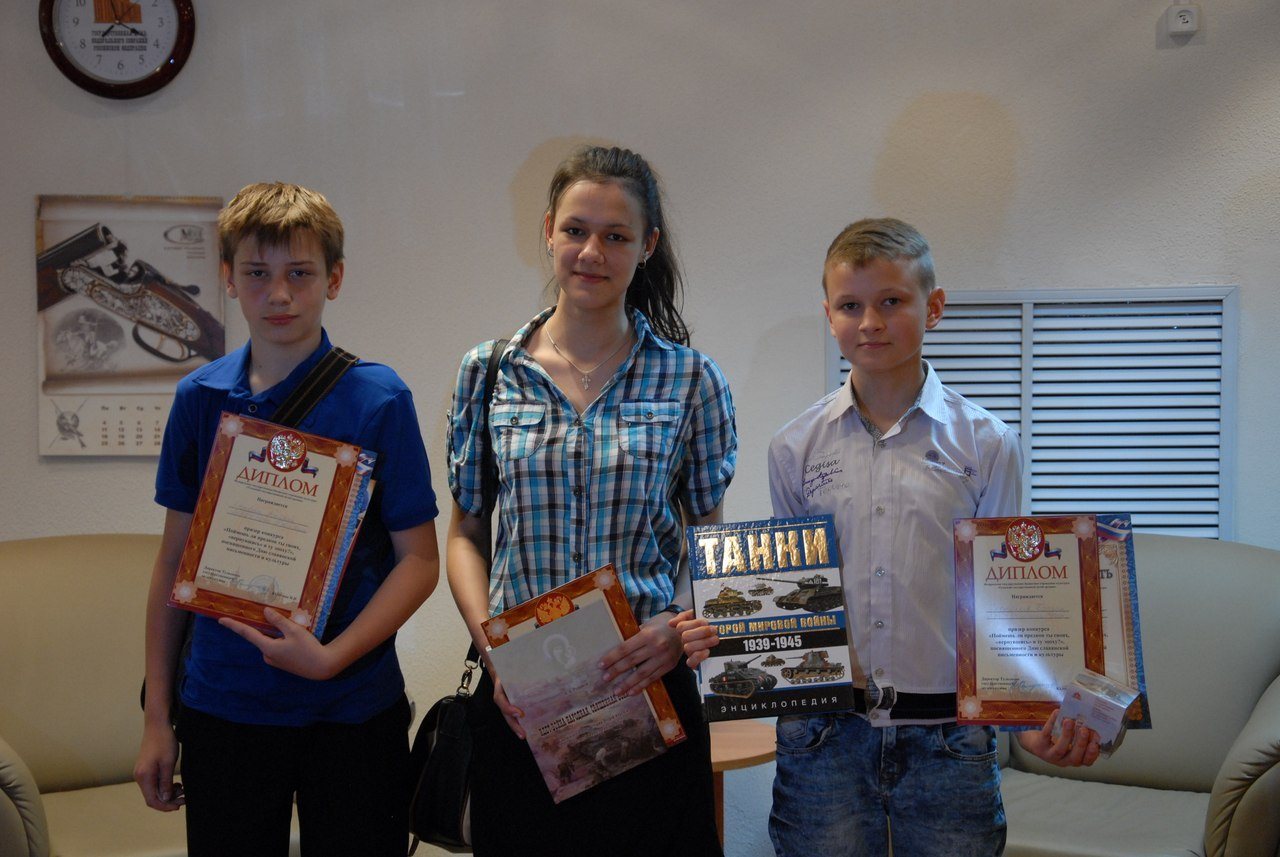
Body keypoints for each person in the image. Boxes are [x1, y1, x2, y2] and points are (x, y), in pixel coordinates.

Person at [680, 218, 1101, 856]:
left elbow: (1007, 598)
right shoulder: (795, 447)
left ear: (934, 307)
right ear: (829, 316)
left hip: (949, 736)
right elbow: (791, 595)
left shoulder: (987, 444)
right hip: (823, 733)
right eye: (851, 306)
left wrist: (1028, 718)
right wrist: (730, 633)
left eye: (891, 301)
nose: (870, 322)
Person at [133, 182, 440, 857]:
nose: (278, 295)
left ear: (335, 278)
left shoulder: (379, 399)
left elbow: (420, 560)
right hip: (224, 704)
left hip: (353, 705)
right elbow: (174, 564)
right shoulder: (199, 397)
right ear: (228, 278)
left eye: (300, 273)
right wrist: (157, 719)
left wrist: (330, 659)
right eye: (257, 273)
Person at [446, 145, 737, 856]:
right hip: (524, 696)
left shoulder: (691, 380)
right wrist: (494, 651)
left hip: (648, 680)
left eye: (616, 235)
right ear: (549, 230)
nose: (591, 252)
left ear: (648, 246)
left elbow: (710, 537)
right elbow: (465, 534)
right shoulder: (488, 372)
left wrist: (676, 626)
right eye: (576, 230)